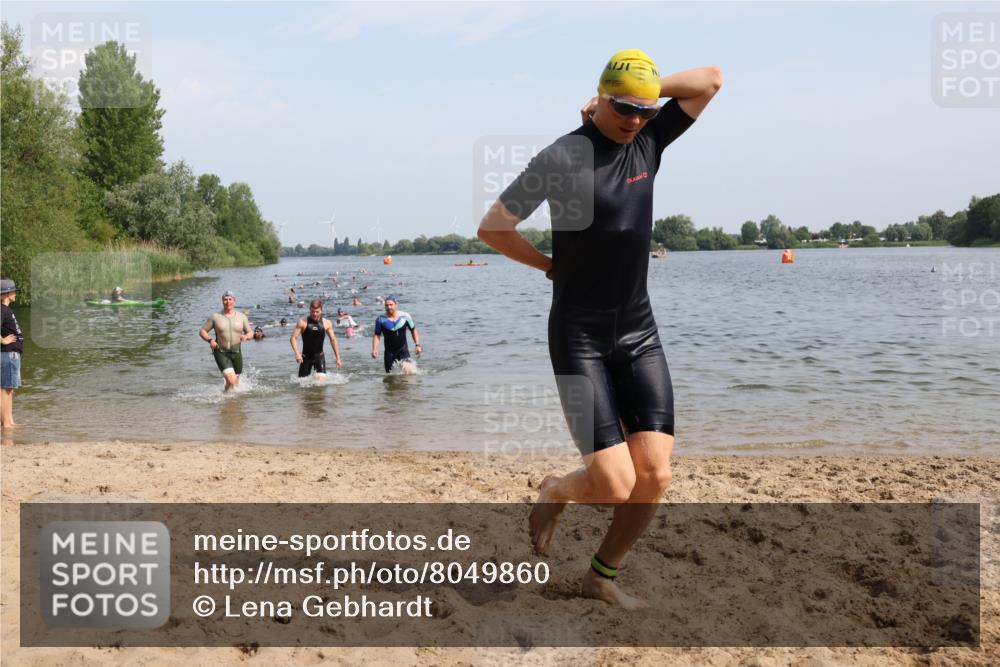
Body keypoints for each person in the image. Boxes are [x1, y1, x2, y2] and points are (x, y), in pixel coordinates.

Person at [477, 49, 721, 608]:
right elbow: (494, 225)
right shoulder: (562, 156)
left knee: (654, 476)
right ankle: (557, 489)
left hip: (639, 331)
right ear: (600, 96)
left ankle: (600, 577)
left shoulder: (649, 142)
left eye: (644, 108)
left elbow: (710, 80)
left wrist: (649, 92)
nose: (636, 118)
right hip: (579, 335)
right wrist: (548, 265)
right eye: (624, 107)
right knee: (613, 485)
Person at [199, 290, 254, 392]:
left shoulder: (242, 317)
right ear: (222, 301)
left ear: (234, 301)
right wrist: (210, 340)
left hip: (237, 352)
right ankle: (228, 400)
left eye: (230, 299)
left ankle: (227, 401)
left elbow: (251, 333)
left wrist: (246, 336)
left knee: (235, 383)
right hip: (221, 352)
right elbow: (202, 331)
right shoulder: (215, 317)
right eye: (225, 299)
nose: (228, 302)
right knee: (232, 381)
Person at [291, 299, 342, 378]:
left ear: (321, 310)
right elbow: (293, 338)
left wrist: (338, 357)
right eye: (312, 311)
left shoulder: (326, 323)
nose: (314, 314)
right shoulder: (302, 322)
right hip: (305, 358)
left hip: (319, 357)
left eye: (317, 312)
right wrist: (297, 353)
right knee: (302, 385)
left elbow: (333, 340)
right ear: (310, 310)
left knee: (321, 384)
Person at [372, 295, 421, 374]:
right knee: (390, 377)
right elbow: (377, 335)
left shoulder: (405, 316)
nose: (389, 307)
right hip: (389, 352)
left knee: (407, 371)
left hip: (403, 350)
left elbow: (413, 330)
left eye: (391, 305)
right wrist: (374, 349)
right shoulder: (380, 320)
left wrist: (417, 345)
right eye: (386, 305)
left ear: (396, 305)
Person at [1, 279, 24, 429]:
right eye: (14, 291)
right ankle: (6, 423)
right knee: (4, 389)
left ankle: (9, 421)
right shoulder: (2, 309)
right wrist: (3, 341)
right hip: (7, 354)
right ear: (8, 293)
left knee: (9, 389)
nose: (15, 294)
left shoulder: (5, 310)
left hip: (12, 355)